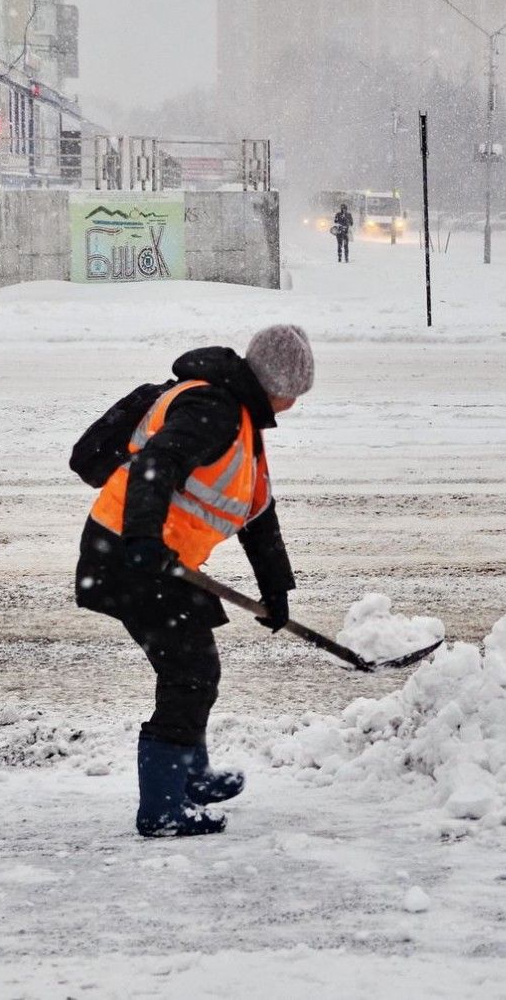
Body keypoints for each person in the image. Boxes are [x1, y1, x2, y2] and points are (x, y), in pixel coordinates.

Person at [75, 325, 313, 837]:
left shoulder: (239, 420)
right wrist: (142, 541)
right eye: (296, 391)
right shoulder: (215, 412)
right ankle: (162, 808)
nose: (295, 402)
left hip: (157, 556)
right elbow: (155, 465)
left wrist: (277, 590)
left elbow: (256, 514)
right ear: (278, 384)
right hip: (129, 554)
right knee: (189, 673)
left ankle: (190, 775)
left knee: (195, 666)